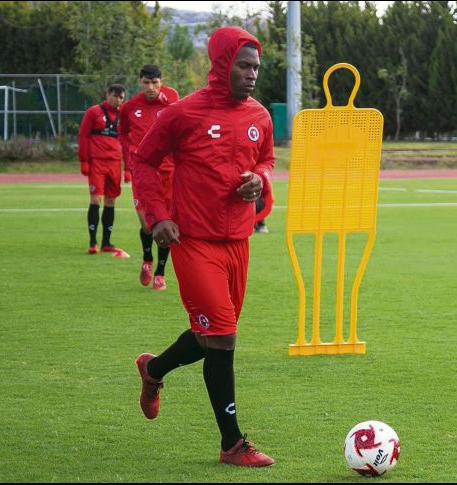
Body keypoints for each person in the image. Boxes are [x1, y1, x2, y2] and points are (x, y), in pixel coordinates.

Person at [132, 26, 275, 467]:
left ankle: (154, 369)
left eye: (256, 67)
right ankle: (232, 444)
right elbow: (144, 160)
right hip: (193, 241)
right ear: (223, 64)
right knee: (223, 337)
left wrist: (260, 179)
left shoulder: (260, 116)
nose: (252, 74)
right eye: (244, 65)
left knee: (209, 335)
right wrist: (157, 215)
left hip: (239, 241)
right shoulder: (183, 113)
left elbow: (266, 160)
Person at [118, 65, 179, 290]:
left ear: (161, 82)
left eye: (155, 82)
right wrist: (132, 151)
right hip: (142, 173)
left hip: (168, 172)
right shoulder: (130, 107)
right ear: (140, 82)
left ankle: (160, 273)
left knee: (165, 224)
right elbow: (122, 133)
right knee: (146, 224)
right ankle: (147, 259)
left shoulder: (172, 100)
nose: (151, 87)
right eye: (146, 82)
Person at [77, 84, 130, 257]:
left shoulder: (124, 115)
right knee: (95, 199)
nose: (118, 100)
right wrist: (84, 161)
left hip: (115, 163)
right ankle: (93, 242)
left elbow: (127, 142)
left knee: (111, 201)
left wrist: (128, 168)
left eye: (121, 97)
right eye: (115, 96)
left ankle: (107, 242)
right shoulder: (93, 112)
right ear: (107, 95)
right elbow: (83, 136)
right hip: (97, 163)